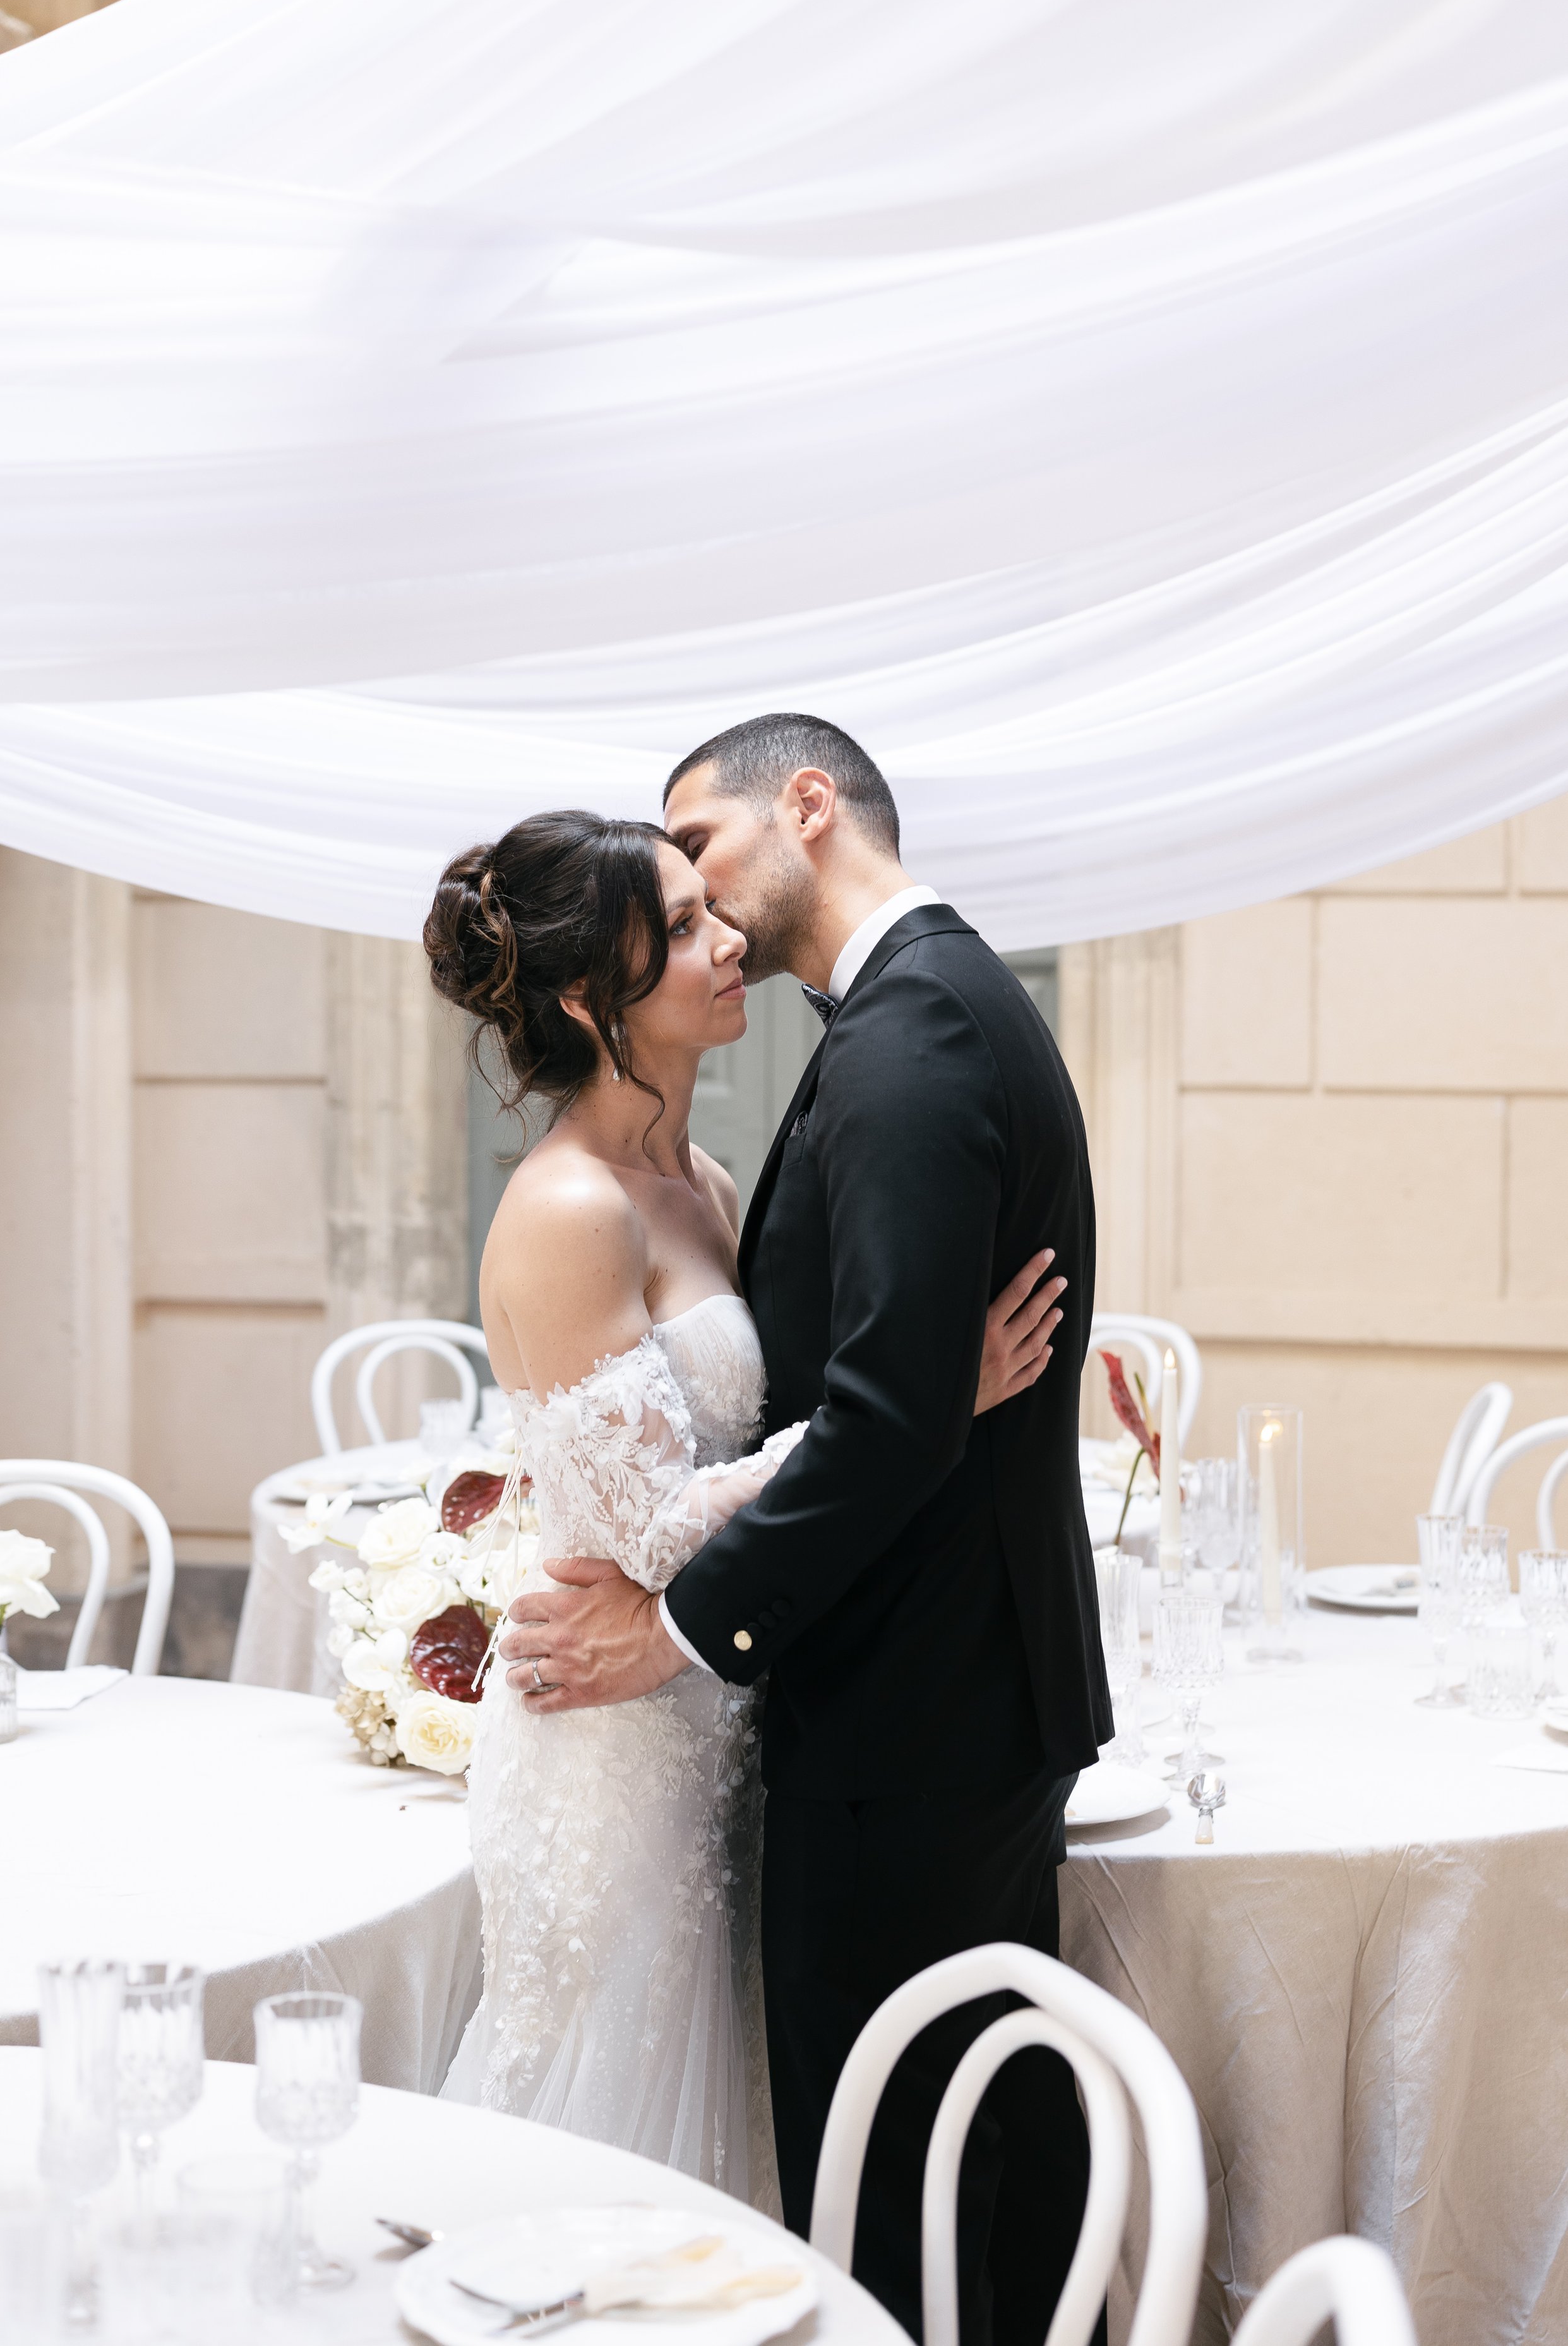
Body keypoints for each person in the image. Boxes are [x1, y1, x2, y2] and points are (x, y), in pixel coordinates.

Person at [503, 716, 1111, 2346]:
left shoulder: (911, 1039)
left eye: (698, 848)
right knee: (940, 2180)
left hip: (911, 1716)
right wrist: (912, 1400)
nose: (692, 897)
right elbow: (871, 1398)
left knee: (904, 2206)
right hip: (906, 1697)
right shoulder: (922, 1015)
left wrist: (690, 1626)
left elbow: (886, 1416)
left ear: (809, 807)